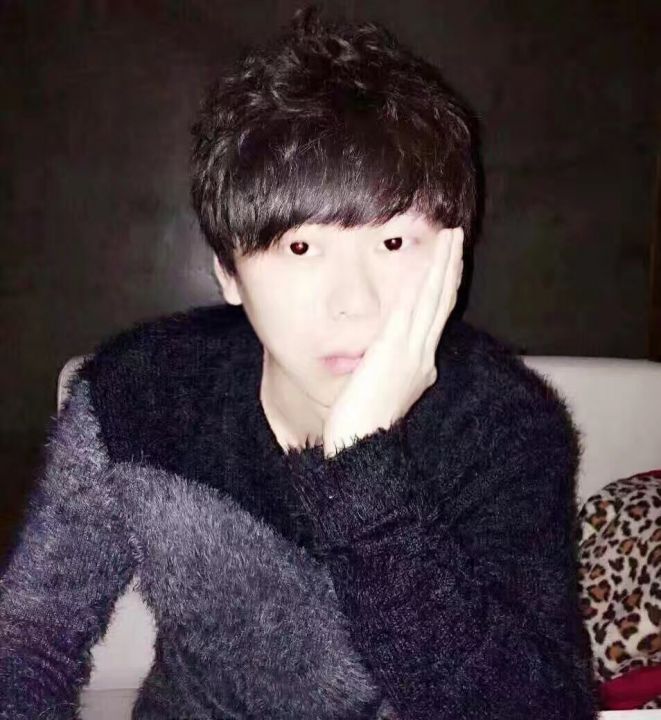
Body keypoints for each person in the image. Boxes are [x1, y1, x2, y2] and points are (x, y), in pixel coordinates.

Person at [0, 6, 599, 719]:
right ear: (228, 272)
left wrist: (363, 473)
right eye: (301, 247)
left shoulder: (505, 427)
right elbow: (31, 639)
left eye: (393, 244)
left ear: (453, 254)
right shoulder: (138, 394)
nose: (353, 302)